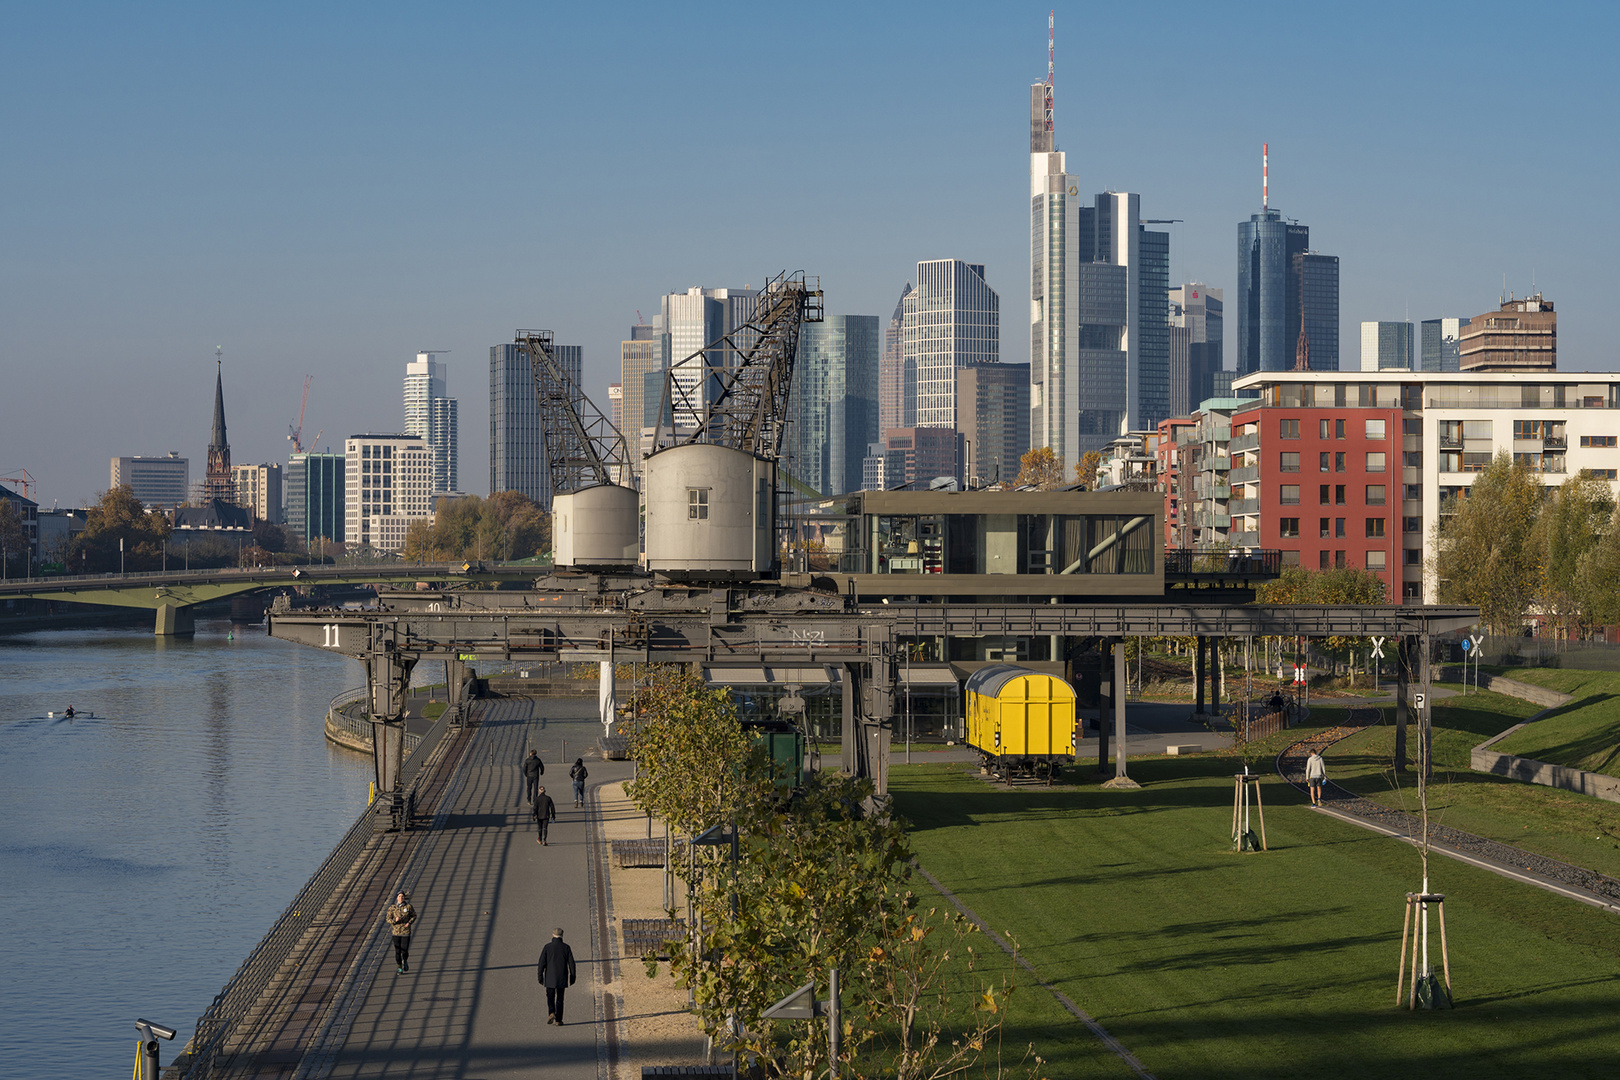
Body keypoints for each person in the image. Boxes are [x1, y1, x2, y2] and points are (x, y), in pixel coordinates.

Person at [537, 927, 577, 1025]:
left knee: (550, 996)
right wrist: (572, 976)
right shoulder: (566, 947)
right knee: (560, 998)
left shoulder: (547, 947)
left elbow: (541, 963)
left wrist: (540, 976)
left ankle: (551, 1012)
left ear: (552, 935)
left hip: (550, 977)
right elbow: (572, 963)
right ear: (562, 936)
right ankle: (558, 1020)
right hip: (562, 977)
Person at [386, 890, 417, 974]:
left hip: (405, 931)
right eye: (399, 896)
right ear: (397, 898)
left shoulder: (408, 907)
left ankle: (405, 961)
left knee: (404, 951)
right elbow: (388, 919)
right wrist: (394, 921)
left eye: (402, 896)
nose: (401, 898)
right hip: (396, 932)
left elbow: (414, 916)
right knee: (397, 951)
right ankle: (399, 967)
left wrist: (409, 923)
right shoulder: (392, 908)